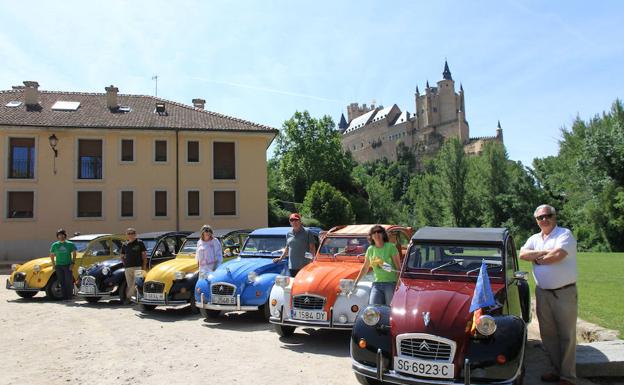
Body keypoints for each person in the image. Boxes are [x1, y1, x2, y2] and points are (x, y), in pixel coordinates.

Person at [520, 204, 577, 385]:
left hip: (564, 293)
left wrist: (536, 257)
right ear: (536, 221)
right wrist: (544, 253)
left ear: (554, 216)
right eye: (540, 218)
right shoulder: (535, 238)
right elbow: (522, 254)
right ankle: (556, 370)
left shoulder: (564, 234)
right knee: (548, 335)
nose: (544, 220)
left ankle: (567, 376)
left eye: (548, 216)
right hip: (542, 293)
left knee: (567, 335)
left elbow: (557, 255)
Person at [353, 225, 401, 305]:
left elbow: (398, 269)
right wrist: (355, 282)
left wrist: (397, 285)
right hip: (376, 284)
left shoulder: (391, 247)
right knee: (373, 308)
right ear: (371, 236)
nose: (376, 234)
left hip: (390, 283)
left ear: (383, 234)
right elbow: (365, 268)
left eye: (379, 231)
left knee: (389, 309)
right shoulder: (370, 249)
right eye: (374, 232)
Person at [49, 228, 77, 301]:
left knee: (69, 281)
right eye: (59, 235)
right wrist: (53, 264)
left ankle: (69, 297)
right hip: (59, 265)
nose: (61, 236)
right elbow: (51, 255)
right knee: (62, 281)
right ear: (57, 236)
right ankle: (64, 297)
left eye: (62, 235)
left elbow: (74, 253)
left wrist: (72, 263)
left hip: (68, 265)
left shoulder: (70, 244)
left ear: (65, 236)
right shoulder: (55, 245)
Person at [121, 228, 147, 303]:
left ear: (135, 234)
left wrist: (144, 266)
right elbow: (122, 256)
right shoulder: (124, 244)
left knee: (136, 283)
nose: (130, 235)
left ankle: (128, 297)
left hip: (138, 267)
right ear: (126, 235)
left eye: (132, 233)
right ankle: (135, 300)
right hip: (128, 268)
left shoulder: (140, 243)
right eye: (128, 233)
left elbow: (144, 255)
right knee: (130, 285)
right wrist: (125, 264)